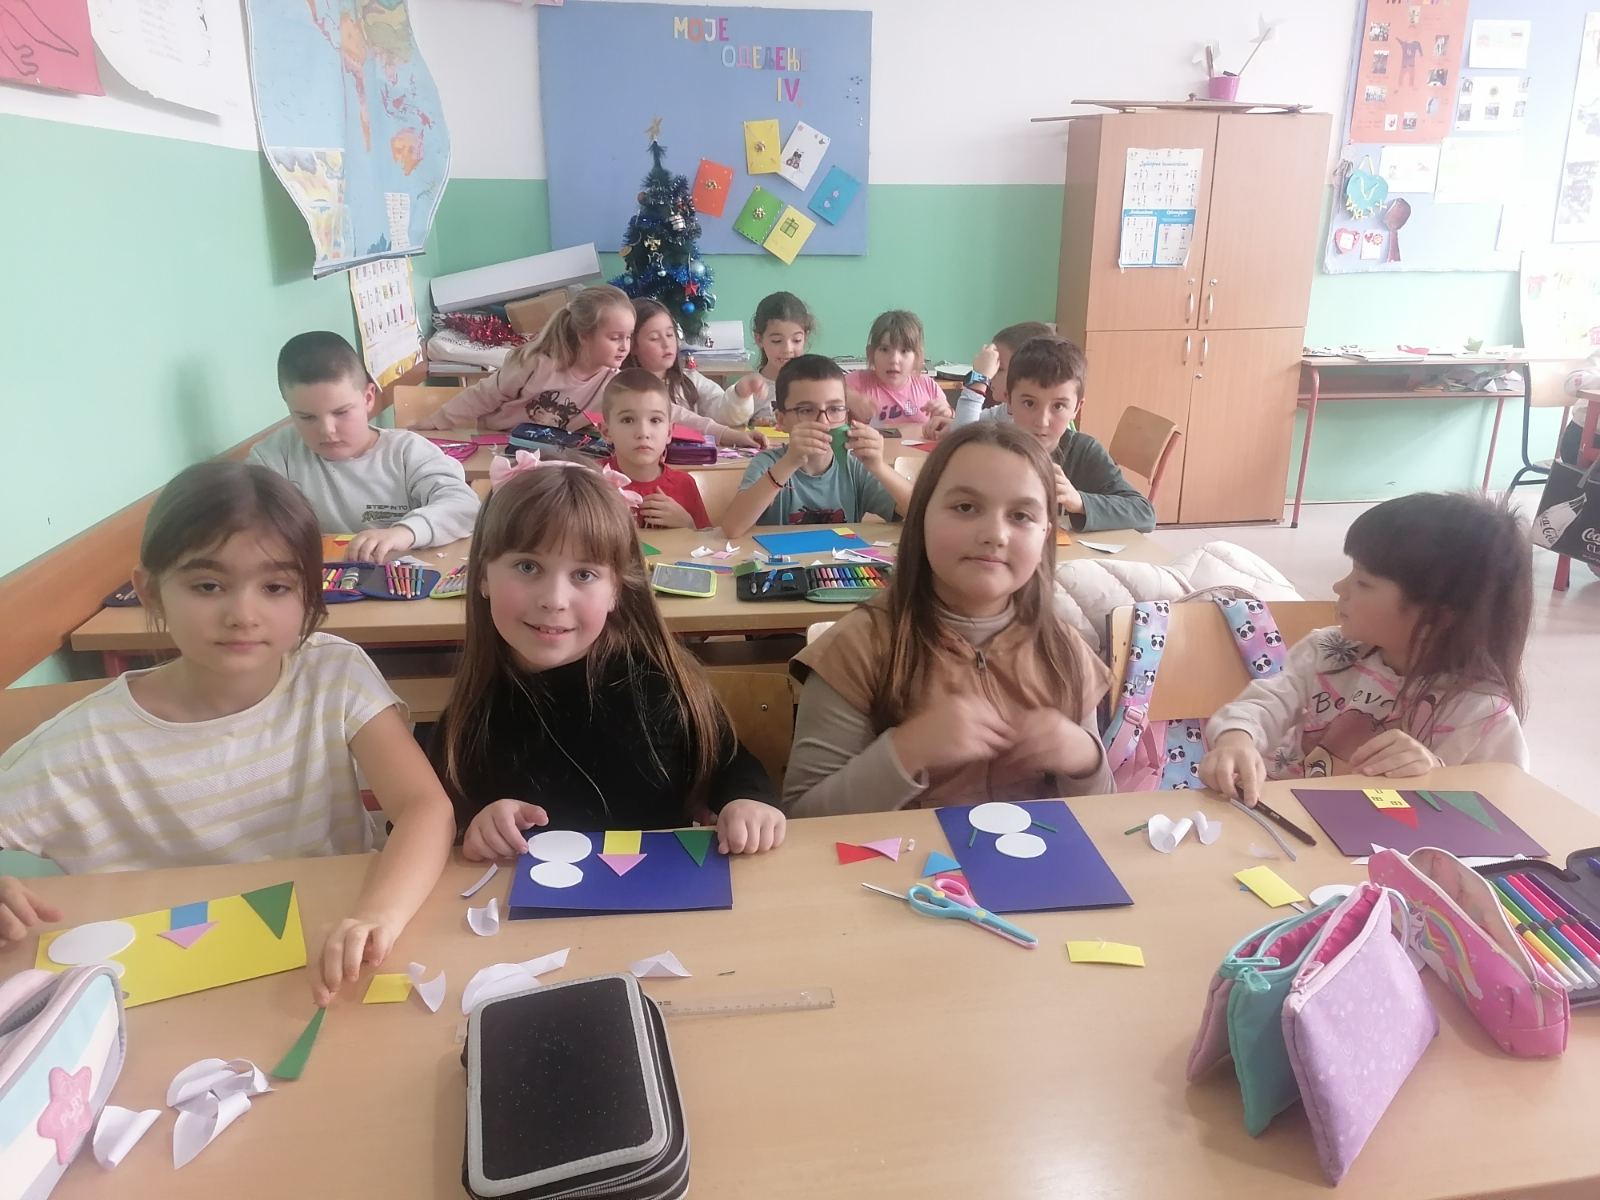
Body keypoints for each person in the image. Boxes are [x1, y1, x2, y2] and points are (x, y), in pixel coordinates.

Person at [0, 463, 455, 1003]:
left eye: (276, 586)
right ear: (151, 592)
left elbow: (425, 808)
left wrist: (378, 915)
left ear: (310, 594)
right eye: (208, 586)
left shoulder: (333, 673)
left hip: (323, 956)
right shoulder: (85, 745)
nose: (243, 614)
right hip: (167, 994)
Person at [429, 460, 786, 857]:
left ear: (617, 588)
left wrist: (747, 801)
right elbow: (424, 825)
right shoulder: (468, 716)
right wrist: (473, 828)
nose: (554, 600)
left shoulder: (660, 685)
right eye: (528, 567)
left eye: (583, 574)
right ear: (482, 575)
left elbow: (730, 763)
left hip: (657, 891)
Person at [783, 422, 1112, 815]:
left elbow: (1103, 812)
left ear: (1045, 534)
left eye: (1021, 515)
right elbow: (804, 816)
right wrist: (906, 751)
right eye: (965, 508)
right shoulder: (858, 647)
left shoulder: (1062, 648)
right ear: (920, 516)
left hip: (1034, 852)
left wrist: (1085, 758)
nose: (995, 534)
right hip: (902, 856)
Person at [1199, 492, 1532, 804]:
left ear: (1437, 616)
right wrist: (1236, 738)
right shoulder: (1328, 650)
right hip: (1284, 811)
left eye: (1363, 582)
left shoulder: (1482, 713)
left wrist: (1435, 774)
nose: (1339, 587)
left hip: (1387, 842)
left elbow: (1502, 805)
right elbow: (1265, 703)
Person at [249, 331, 479, 562]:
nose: (327, 430)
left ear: (368, 398)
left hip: (400, 578)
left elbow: (464, 506)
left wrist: (405, 532)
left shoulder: (407, 452)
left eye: (341, 412)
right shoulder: (272, 458)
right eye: (306, 417)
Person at [720, 355, 910, 537]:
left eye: (834, 409)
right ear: (781, 420)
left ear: (846, 415)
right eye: (806, 410)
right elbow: (732, 528)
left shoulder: (855, 467)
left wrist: (879, 467)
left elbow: (918, 512)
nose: (824, 422)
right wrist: (789, 462)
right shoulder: (768, 464)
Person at [627, 298, 767, 429]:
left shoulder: (689, 380)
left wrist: (741, 392)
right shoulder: (623, 389)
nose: (666, 343)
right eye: (654, 338)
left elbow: (721, 412)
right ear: (632, 345)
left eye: (670, 335)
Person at [598, 368, 711, 529]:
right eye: (628, 420)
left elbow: (706, 539)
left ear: (669, 432)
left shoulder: (684, 484)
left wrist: (687, 524)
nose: (643, 433)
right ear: (606, 432)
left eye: (655, 420)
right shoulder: (591, 480)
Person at [844, 309, 952, 427]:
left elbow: (950, 425)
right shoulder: (856, 382)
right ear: (871, 353)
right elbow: (829, 389)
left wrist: (947, 413)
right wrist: (848, 397)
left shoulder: (928, 386)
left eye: (904, 351)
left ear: (917, 356)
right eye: (884, 349)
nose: (894, 360)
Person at [747, 291, 814, 425]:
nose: (787, 349)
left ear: (805, 338)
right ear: (759, 339)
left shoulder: (815, 383)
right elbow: (734, 429)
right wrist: (753, 426)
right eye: (777, 341)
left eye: (796, 340)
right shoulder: (748, 389)